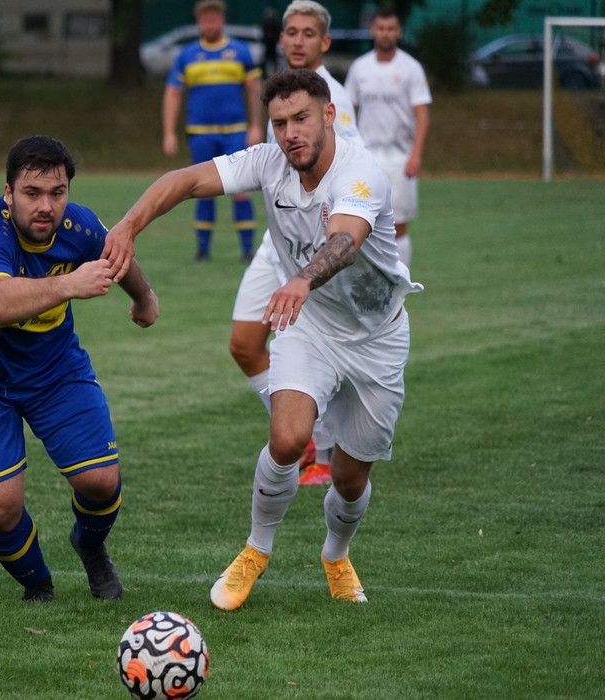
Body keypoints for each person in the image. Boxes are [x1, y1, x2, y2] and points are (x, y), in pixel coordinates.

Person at [103, 70, 422, 608]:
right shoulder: (268, 161)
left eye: (301, 119)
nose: (290, 133)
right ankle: (255, 550)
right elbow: (184, 180)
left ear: (329, 116)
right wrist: (128, 225)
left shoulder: (361, 173)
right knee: (287, 439)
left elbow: (345, 241)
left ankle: (336, 554)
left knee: (349, 480)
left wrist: (301, 279)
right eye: (279, 123)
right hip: (310, 326)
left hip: (377, 339)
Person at [0, 135, 159, 603]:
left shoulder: (79, 226)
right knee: (0, 509)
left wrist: (144, 297)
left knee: (100, 481)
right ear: (8, 193)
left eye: (57, 193)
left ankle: (90, 546)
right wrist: (70, 284)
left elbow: (114, 251)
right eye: (32, 193)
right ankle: (39, 585)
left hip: (53, 369)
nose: (45, 206)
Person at [233, 0, 364, 487]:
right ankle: (303, 435)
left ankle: (324, 455)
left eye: (308, 33)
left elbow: (347, 172)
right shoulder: (282, 92)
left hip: (316, 246)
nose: (297, 40)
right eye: (290, 32)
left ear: (324, 42)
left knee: (318, 352)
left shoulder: (333, 99)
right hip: (278, 240)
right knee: (244, 344)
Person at [162, 0, 266, 263]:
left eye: (214, 19)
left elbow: (254, 90)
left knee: (241, 189)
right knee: (203, 189)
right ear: (199, 23)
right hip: (201, 133)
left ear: (222, 21)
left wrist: (255, 126)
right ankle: (202, 251)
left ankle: (247, 250)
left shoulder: (240, 51)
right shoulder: (187, 55)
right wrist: (169, 132)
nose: (209, 24)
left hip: (235, 132)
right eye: (205, 20)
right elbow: (173, 93)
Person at [344, 7, 431, 269]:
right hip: (366, 158)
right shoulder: (360, 67)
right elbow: (346, 113)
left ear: (398, 32)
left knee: (397, 225)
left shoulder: (411, 68)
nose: (385, 33)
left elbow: (422, 116)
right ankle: (368, 280)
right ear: (373, 30)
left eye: (391, 29)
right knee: (360, 222)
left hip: (399, 159)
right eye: (381, 28)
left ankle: (399, 282)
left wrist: (415, 155)